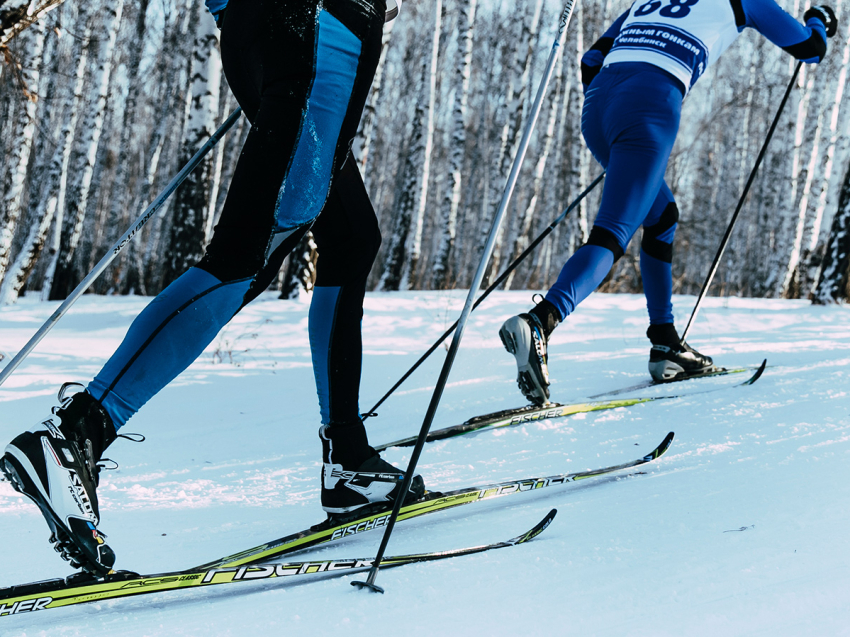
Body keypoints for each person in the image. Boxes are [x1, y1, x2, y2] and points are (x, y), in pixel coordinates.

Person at [1, 0, 424, 576]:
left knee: (349, 235)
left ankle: (348, 459)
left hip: (279, 27)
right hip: (319, 29)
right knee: (244, 255)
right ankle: (78, 433)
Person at [500, 0, 837, 406]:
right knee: (612, 234)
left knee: (661, 216)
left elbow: (591, 59)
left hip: (601, 103)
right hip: (650, 105)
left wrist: (618, 112)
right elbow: (810, 49)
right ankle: (540, 321)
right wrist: (819, 19)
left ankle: (665, 343)